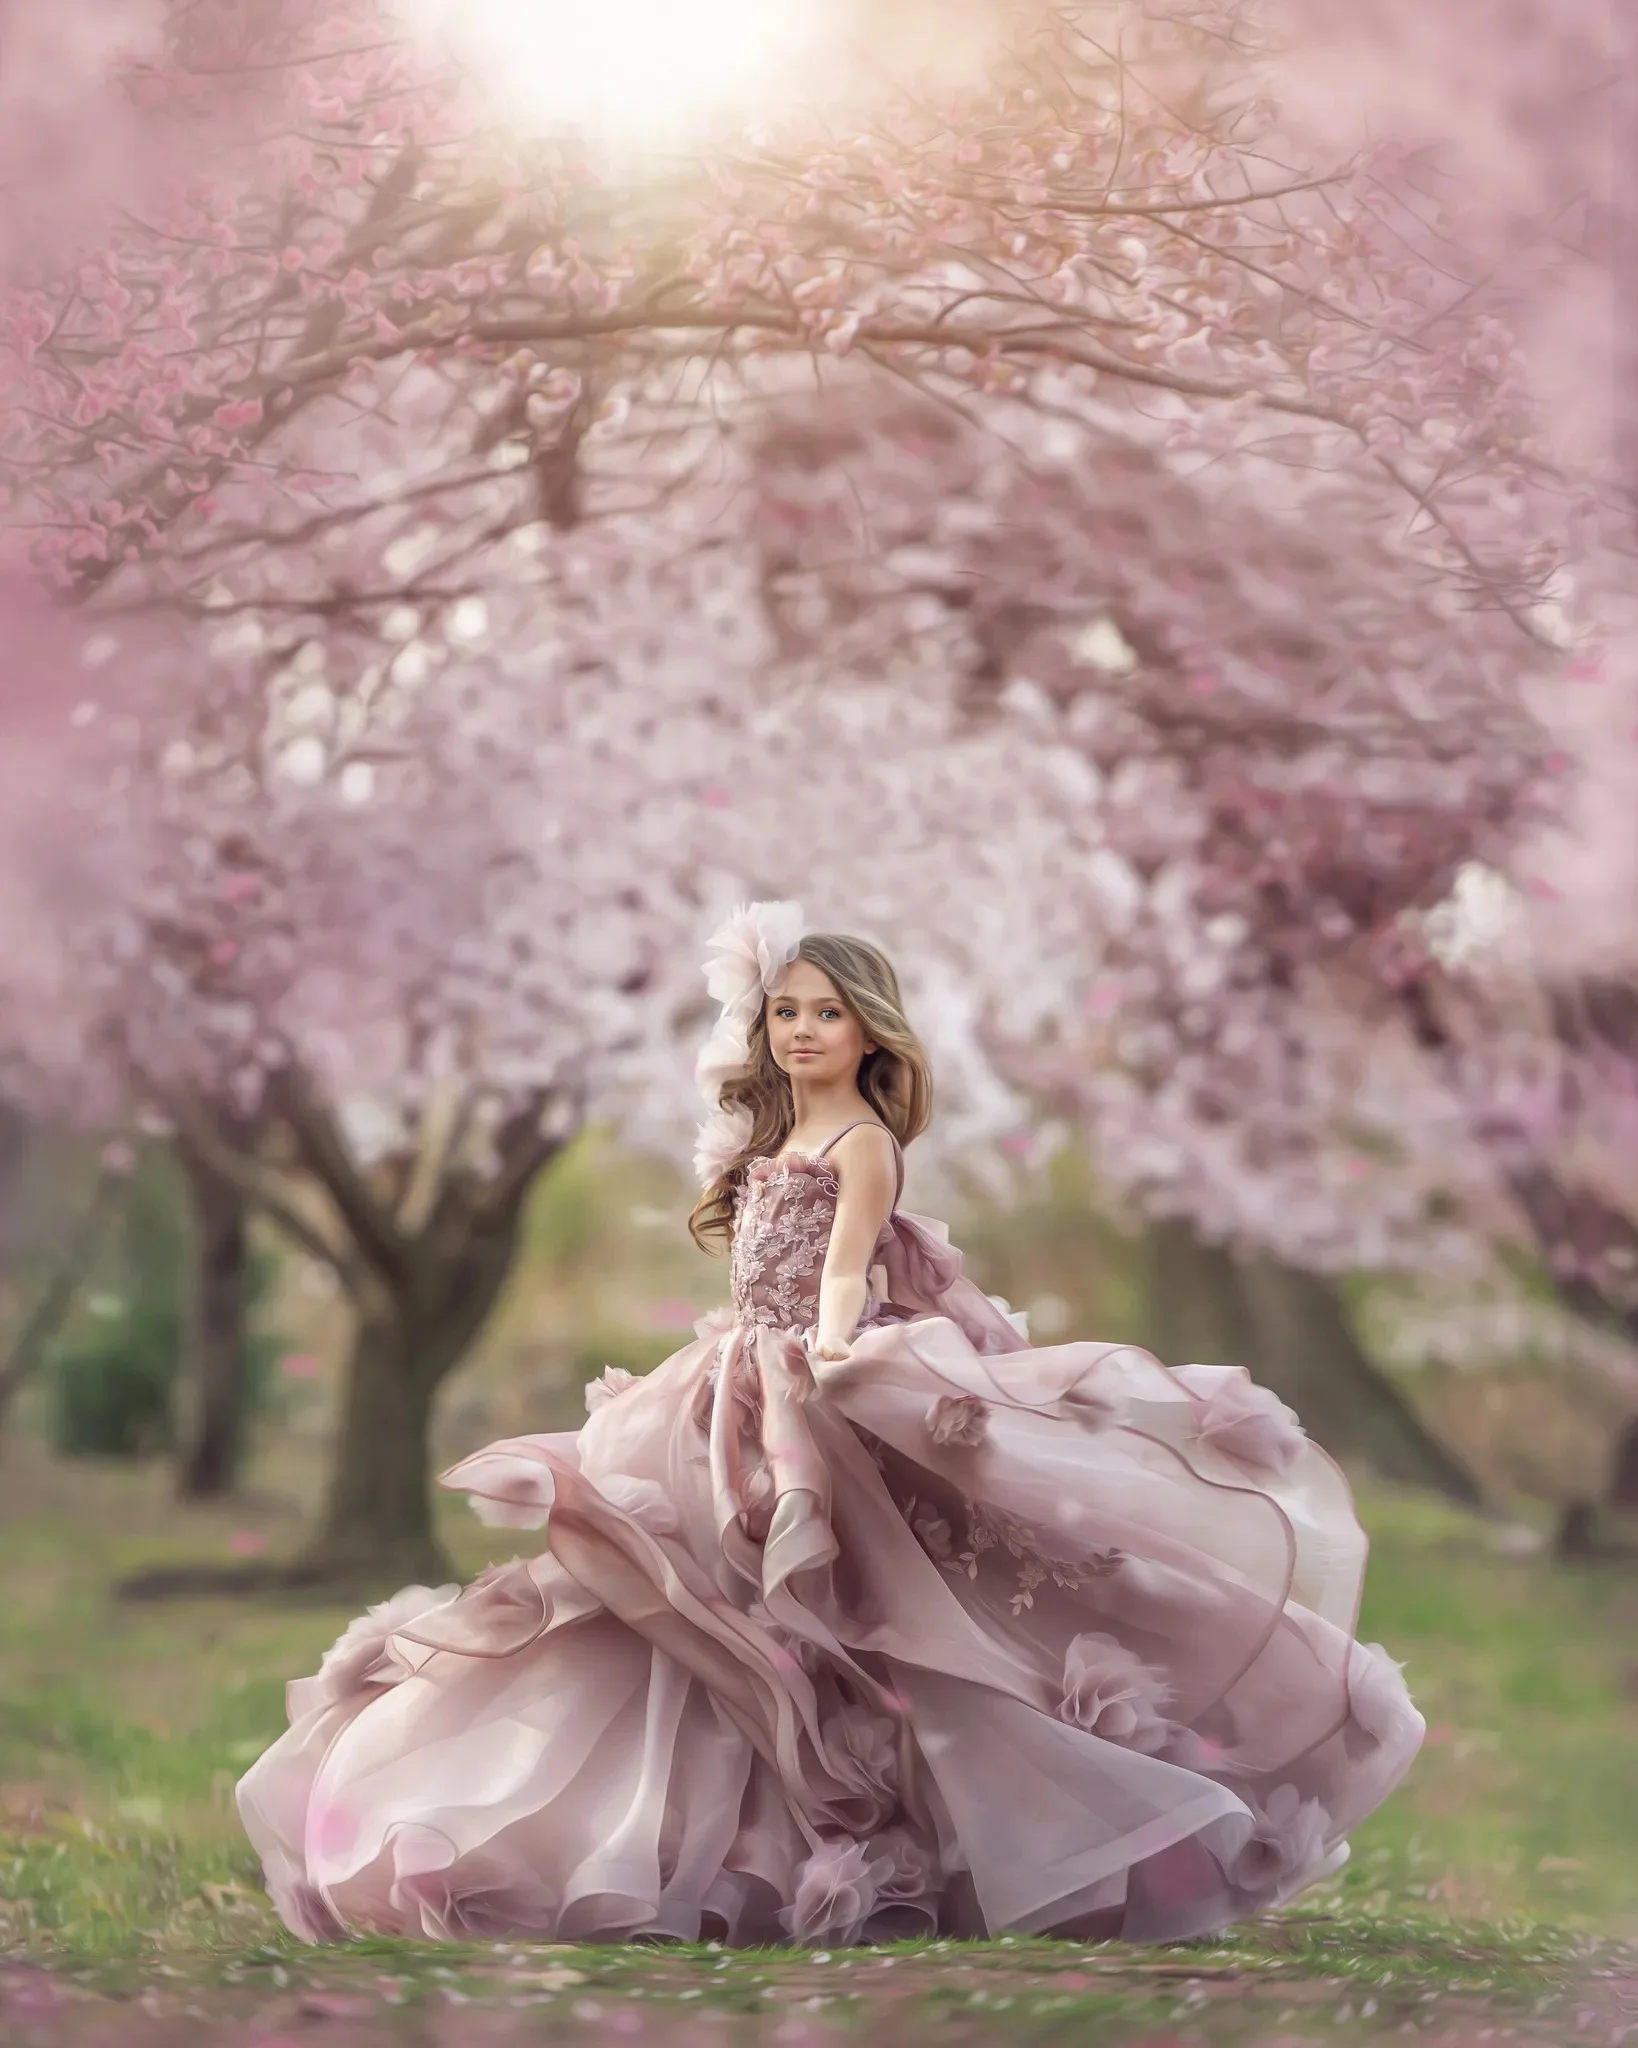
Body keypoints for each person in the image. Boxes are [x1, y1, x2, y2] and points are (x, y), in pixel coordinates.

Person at [238, 903, 1424, 1948]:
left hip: (808, 1371)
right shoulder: (770, 1147)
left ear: (870, 1031)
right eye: (787, 1011)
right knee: (673, 1587)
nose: (804, 1032)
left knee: (842, 1602)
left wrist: (836, 1349)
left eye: (828, 1014)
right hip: (718, 1379)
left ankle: (910, 1824)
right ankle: (657, 1832)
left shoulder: (861, 1143)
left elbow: (847, 1267)